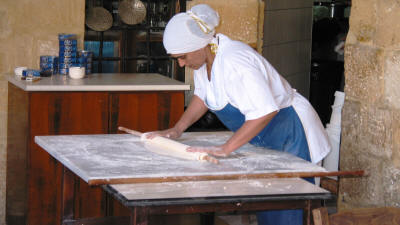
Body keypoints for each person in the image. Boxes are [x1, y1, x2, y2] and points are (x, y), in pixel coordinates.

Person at [148, 4, 331, 225]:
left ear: (200, 45)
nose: (181, 63)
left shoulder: (235, 60)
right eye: (176, 58)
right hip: (267, 140)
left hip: (292, 134)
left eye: (183, 56)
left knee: (289, 207)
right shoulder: (204, 63)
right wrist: (177, 129)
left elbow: (265, 111)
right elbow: (203, 97)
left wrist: (226, 148)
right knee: (268, 204)